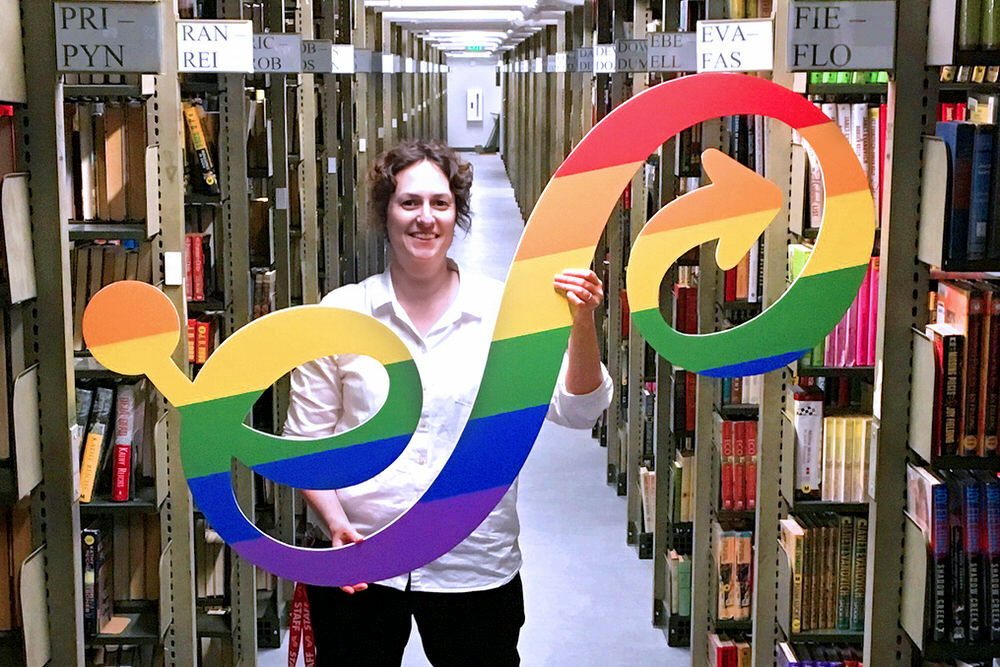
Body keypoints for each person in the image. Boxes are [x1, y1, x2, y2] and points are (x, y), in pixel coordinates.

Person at [282, 139, 613, 666]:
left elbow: (577, 410)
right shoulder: (341, 314)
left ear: (457, 213)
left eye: (440, 203)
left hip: (474, 561)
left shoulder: (503, 312)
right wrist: (335, 525)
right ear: (384, 212)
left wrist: (581, 322)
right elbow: (305, 443)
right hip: (363, 559)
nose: (425, 218)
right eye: (408, 202)